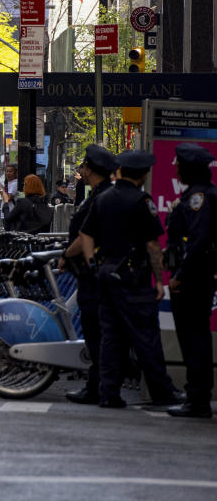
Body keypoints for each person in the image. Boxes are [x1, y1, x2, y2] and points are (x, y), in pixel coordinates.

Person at [79, 150, 182, 409]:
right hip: (133, 278)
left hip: (106, 274)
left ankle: (109, 394)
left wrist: (93, 263)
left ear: (121, 171)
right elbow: (152, 246)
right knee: (145, 336)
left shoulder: (103, 199)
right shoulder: (140, 201)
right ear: (144, 174)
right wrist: (159, 280)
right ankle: (162, 392)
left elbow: (86, 234)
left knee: (111, 338)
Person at [61, 145, 118, 405]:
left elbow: (86, 234)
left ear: (91, 169)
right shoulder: (97, 194)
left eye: (83, 166)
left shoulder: (100, 198)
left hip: (93, 274)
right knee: (98, 332)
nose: (81, 170)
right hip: (92, 273)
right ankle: (99, 385)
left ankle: (98, 387)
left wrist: (66, 255)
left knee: (96, 333)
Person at [165, 143, 217, 419]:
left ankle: (197, 399)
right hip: (193, 276)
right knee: (194, 337)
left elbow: (198, 242)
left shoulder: (199, 199)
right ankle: (196, 394)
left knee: (194, 338)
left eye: (179, 166)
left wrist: (180, 276)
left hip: (193, 279)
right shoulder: (197, 196)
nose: (175, 169)